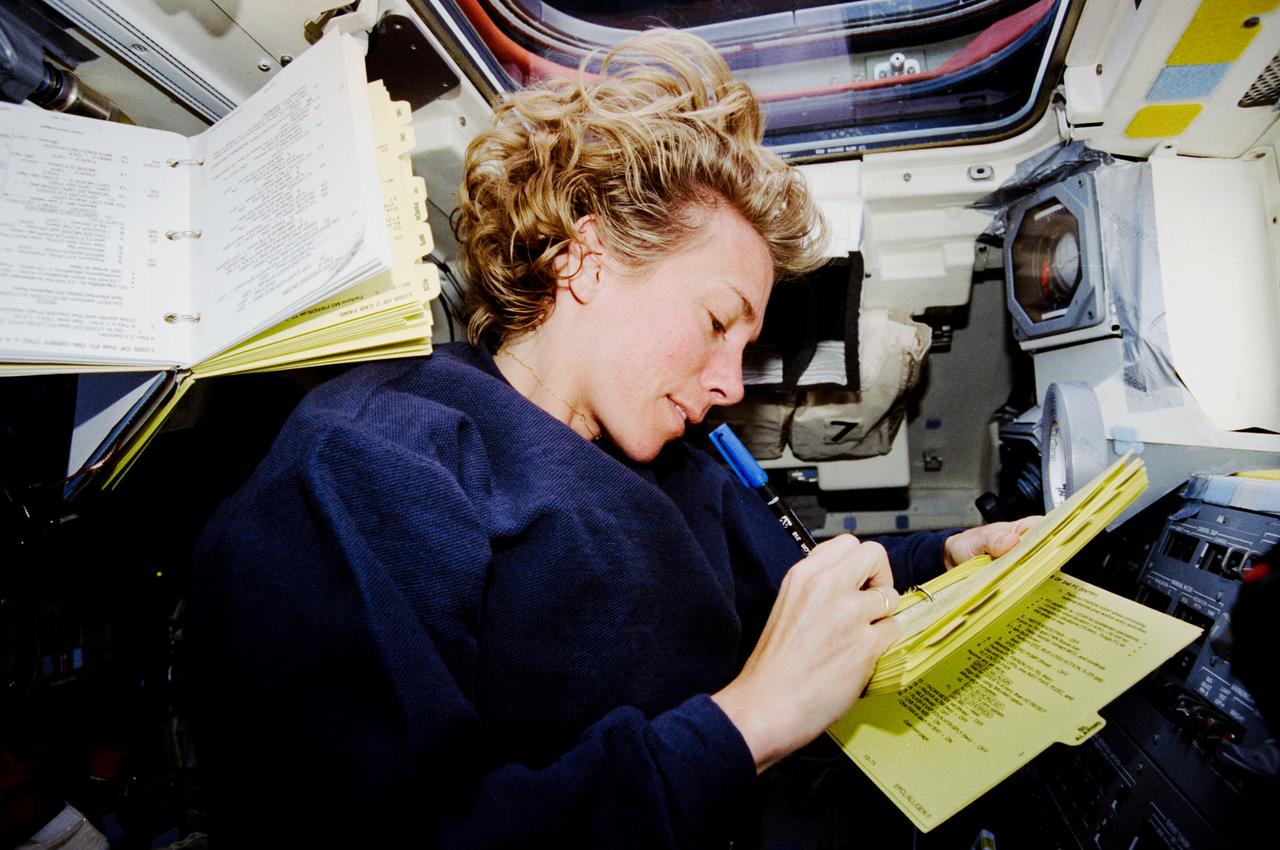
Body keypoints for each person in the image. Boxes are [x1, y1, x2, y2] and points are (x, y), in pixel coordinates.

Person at [186, 28, 1036, 849]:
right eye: (717, 322)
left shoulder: (680, 465)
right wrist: (748, 726)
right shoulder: (372, 458)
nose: (732, 386)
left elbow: (796, 583)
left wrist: (945, 558)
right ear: (585, 259)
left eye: (746, 347)